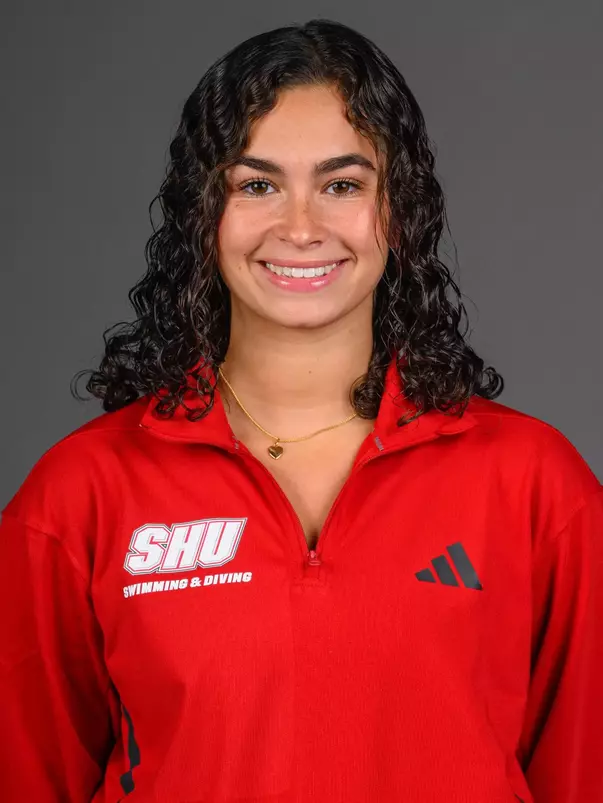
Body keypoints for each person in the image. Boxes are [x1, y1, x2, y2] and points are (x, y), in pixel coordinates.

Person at [0, 17, 601, 803]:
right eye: (256, 185)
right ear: (201, 215)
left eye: (342, 184)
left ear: (400, 211)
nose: (300, 227)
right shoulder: (81, 494)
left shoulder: (535, 485)